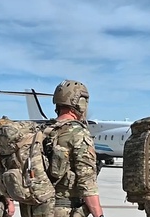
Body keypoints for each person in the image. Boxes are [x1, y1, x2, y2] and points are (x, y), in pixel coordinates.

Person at [49, 79, 104, 217]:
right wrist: (99, 214)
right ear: (80, 103)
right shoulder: (78, 133)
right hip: (64, 209)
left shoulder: (43, 131)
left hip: (40, 207)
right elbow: (87, 183)